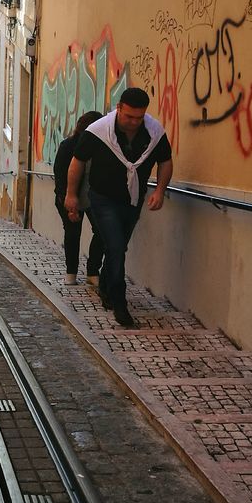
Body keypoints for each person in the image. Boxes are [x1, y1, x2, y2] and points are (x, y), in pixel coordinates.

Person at [64, 87, 172, 329]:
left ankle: (105, 286)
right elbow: (77, 162)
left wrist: (160, 191)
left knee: (118, 246)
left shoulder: (154, 132)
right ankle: (119, 301)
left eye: (139, 117)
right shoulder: (98, 131)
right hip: (102, 198)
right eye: (129, 116)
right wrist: (71, 195)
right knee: (115, 246)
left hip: (133, 200)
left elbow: (165, 160)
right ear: (119, 108)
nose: (134, 122)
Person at [53, 111, 104, 286]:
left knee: (102, 232)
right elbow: (60, 176)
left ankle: (92, 271)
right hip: (68, 198)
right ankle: (71, 273)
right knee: (73, 233)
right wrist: (68, 204)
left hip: (93, 199)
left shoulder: (101, 147)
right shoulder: (68, 146)